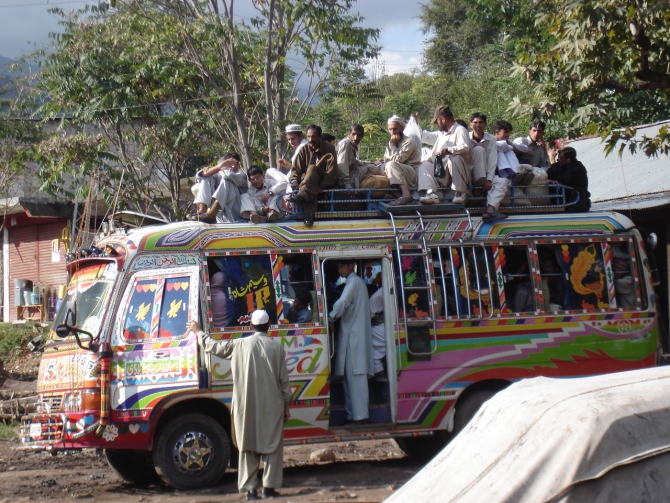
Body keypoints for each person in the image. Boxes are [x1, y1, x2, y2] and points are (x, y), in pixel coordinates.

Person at [188, 310, 291, 501]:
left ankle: (251, 490)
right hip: (272, 405)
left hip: (245, 406)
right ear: (268, 326)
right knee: (272, 446)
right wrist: (286, 405)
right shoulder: (277, 348)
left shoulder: (239, 344)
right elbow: (284, 382)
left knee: (247, 446)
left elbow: (213, 347)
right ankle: (269, 487)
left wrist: (199, 332)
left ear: (250, 326)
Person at [328, 260, 374, 424]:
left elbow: (342, 303)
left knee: (356, 376)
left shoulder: (354, 282)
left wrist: (330, 317)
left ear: (350, 265)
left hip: (355, 336)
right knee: (350, 378)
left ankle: (360, 416)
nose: (340, 269)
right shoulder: (355, 282)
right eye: (338, 266)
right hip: (353, 334)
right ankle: (352, 414)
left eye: (342, 266)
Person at [418, 106, 472, 204]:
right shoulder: (442, 134)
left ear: (443, 119)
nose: (437, 124)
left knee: (454, 158)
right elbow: (432, 154)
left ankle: (460, 192)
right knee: (424, 165)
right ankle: (431, 193)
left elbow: (465, 148)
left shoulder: (460, 130)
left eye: (437, 122)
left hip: (460, 172)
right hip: (443, 172)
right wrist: (417, 163)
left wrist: (448, 150)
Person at [288, 124, 339, 227]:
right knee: (310, 181)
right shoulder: (304, 149)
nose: (311, 139)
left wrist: (322, 186)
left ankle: (302, 198)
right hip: (308, 182)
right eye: (309, 137)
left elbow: (332, 172)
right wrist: (293, 180)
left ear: (320, 137)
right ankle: (309, 216)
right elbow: (296, 169)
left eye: (314, 136)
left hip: (323, 182)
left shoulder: (329, 148)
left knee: (312, 169)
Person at [191, 153, 248, 223]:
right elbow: (199, 176)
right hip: (221, 216)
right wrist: (216, 168)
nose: (233, 166)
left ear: (239, 165)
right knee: (207, 178)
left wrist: (216, 168)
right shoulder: (218, 176)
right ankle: (202, 211)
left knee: (227, 180)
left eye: (235, 164)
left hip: (235, 212)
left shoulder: (242, 175)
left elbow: (228, 175)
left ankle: (211, 214)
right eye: (229, 164)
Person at [378, 115, 422, 206]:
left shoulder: (408, 142)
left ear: (402, 128)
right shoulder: (391, 142)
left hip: (412, 173)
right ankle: (396, 194)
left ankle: (406, 195)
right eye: (390, 129)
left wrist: (393, 145)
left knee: (391, 165)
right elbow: (387, 159)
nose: (393, 132)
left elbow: (398, 160)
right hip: (398, 172)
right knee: (379, 167)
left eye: (395, 129)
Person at [547, 146, 591, 212]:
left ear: (568, 160)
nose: (558, 159)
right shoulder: (564, 166)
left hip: (576, 204)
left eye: (560, 158)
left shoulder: (577, 168)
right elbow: (550, 173)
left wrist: (552, 160)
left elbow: (560, 178)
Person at [336, 124, 376, 188]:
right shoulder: (346, 144)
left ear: (362, 136)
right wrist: (346, 184)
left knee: (372, 166)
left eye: (358, 135)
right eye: (353, 134)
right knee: (371, 168)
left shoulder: (351, 145)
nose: (356, 138)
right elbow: (342, 164)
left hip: (351, 174)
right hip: (345, 179)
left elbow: (354, 162)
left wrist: (371, 162)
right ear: (349, 133)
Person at [369, 281, 386, 378]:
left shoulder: (380, 293)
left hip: (379, 324)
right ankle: (379, 371)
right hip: (378, 323)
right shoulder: (379, 294)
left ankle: (379, 371)